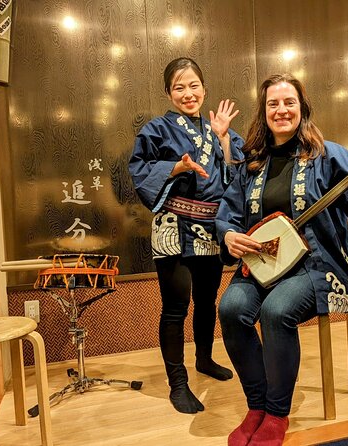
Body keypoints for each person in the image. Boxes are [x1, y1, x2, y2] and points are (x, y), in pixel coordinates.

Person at [215, 73, 348, 445]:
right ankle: (257, 407)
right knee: (231, 308)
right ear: (263, 113)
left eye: (289, 102)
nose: (281, 110)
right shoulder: (252, 163)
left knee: (276, 311)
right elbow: (228, 212)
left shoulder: (327, 155)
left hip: (319, 268)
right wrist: (230, 234)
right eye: (273, 104)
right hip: (263, 267)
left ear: (302, 108)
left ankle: (277, 415)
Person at [128, 57, 245, 414]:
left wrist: (223, 139)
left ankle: (205, 359)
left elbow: (236, 174)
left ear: (204, 89)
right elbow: (138, 168)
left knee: (207, 302)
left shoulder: (219, 129)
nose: (188, 93)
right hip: (174, 227)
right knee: (176, 307)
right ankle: (177, 384)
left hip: (210, 227)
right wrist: (174, 167)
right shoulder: (156, 130)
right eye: (179, 87)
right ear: (168, 92)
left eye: (194, 85)